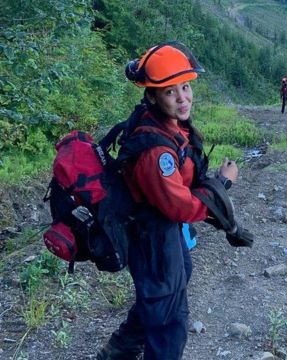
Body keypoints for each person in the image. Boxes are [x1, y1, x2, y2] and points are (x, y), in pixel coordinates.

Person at [97, 42, 253, 360]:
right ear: (153, 96)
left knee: (179, 275)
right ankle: (130, 347)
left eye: (185, 87)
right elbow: (181, 207)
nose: (183, 98)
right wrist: (223, 183)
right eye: (170, 92)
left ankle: (122, 348)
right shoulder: (156, 151)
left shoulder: (166, 125)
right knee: (170, 321)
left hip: (162, 230)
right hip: (151, 236)